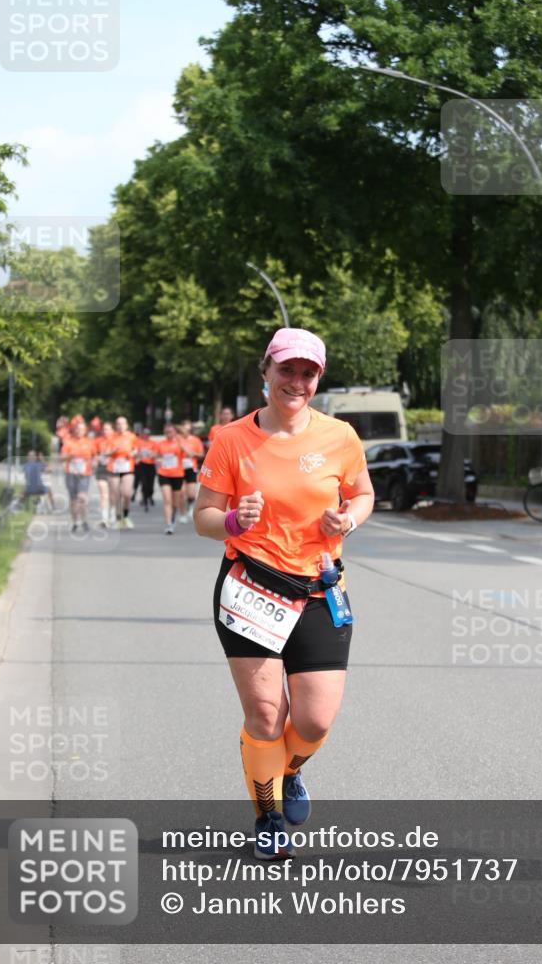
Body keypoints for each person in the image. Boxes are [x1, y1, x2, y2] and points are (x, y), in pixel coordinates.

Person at [194, 328, 374, 858]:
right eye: (287, 369)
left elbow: (363, 494)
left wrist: (348, 519)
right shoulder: (231, 439)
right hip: (250, 587)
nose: (297, 381)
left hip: (319, 587)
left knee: (314, 721)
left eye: (308, 373)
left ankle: (286, 770)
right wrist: (232, 519)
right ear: (266, 371)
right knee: (267, 714)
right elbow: (203, 516)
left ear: (318, 379)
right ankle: (268, 818)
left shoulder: (340, 436)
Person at [60, 419, 95, 532]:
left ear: (85, 431)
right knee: (73, 499)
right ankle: (75, 522)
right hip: (71, 473)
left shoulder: (89, 442)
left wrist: (94, 463)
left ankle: (84, 520)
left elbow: (95, 456)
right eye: (77, 429)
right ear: (74, 430)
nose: (79, 431)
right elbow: (62, 458)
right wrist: (70, 456)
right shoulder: (68, 442)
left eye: (82, 429)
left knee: (82, 497)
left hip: (84, 474)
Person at [106, 416, 138, 529]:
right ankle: (118, 518)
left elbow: (136, 450)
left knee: (127, 493)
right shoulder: (111, 437)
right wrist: (114, 451)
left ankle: (126, 516)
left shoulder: (132, 436)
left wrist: (132, 453)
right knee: (116, 494)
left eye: (123, 423)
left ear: (127, 425)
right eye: (118, 424)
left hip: (127, 467)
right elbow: (106, 452)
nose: (120, 426)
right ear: (116, 426)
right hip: (114, 468)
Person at [155, 423, 185, 534]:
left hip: (177, 475)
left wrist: (182, 445)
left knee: (175, 502)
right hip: (163, 474)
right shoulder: (161, 444)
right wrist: (157, 460)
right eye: (167, 432)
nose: (169, 434)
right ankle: (168, 525)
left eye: (171, 432)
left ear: (175, 432)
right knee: (167, 500)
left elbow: (191, 454)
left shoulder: (179, 443)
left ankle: (173, 519)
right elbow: (156, 456)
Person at [178, 419, 205, 522]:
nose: (186, 430)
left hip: (191, 468)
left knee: (191, 494)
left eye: (188, 428)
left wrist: (193, 454)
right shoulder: (178, 439)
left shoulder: (195, 440)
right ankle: (183, 514)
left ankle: (190, 506)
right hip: (179, 468)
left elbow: (201, 454)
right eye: (184, 428)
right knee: (181, 493)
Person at [94, 421, 114, 528]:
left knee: (113, 494)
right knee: (103, 494)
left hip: (114, 469)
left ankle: (113, 516)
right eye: (104, 429)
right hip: (102, 468)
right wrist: (96, 459)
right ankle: (104, 518)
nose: (105, 431)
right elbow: (94, 454)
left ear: (112, 430)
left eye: (108, 429)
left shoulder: (116, 440)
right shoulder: (98, 441)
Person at [135, 427, 157, 510]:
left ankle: (150, 495)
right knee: (144, 484)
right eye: (144, 433)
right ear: (142, 434)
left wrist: (151, 454)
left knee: (150, 485)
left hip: (151, 465)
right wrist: (138, 455)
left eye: (148, 434)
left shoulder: (153, 443)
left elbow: (156, 454)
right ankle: (145, 500)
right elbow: (135, 452)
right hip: (141, 465)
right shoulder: (138, 442)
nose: (146, 435)